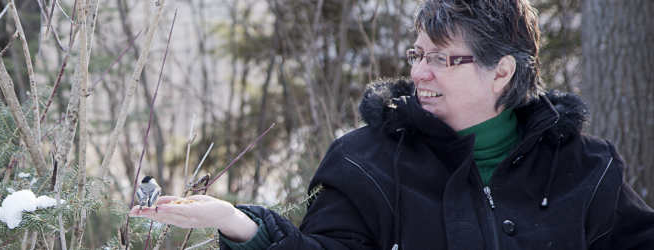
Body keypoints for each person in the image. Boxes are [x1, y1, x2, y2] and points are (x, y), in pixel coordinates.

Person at [129, 0, 654, 249]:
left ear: (502, 70)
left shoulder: (585, 168)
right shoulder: (365, 162)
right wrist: (240, 225)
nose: (417, 72)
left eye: (442, 59)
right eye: (416, 53)